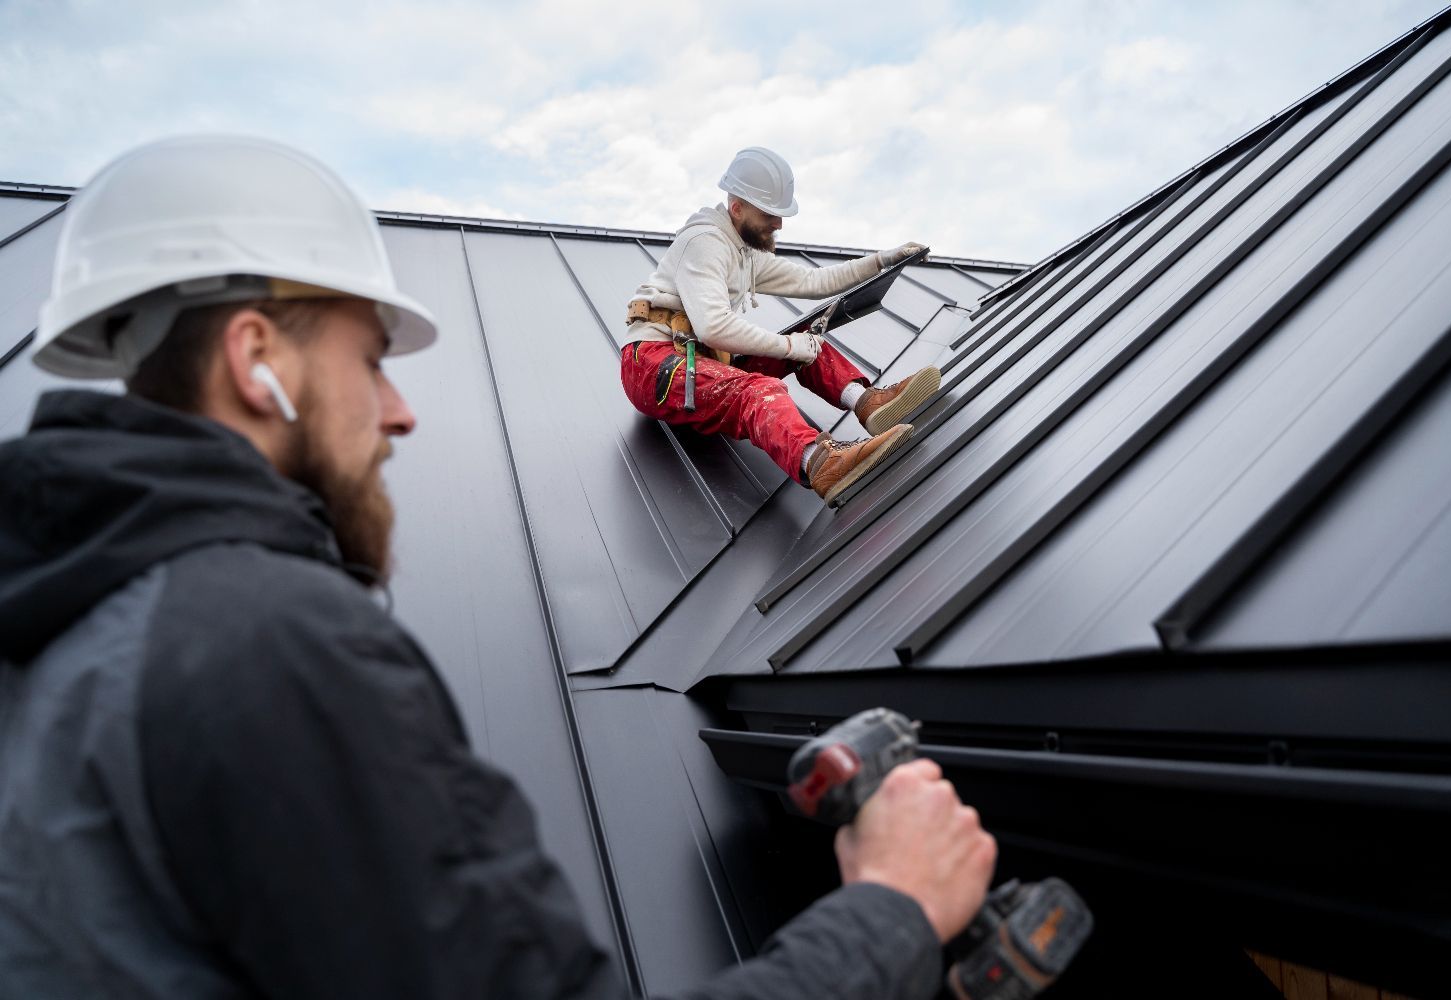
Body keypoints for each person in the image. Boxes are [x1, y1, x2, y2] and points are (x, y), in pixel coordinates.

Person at [0, 136, 997, 999]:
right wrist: (893, 913)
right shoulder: (263, 642)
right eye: (371, 360)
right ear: (255, 359)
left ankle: (856, 413)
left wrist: (873, 264)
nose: (401, 411)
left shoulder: (64, 653)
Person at [621, 147, 943, 506]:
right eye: (769, 214)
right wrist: (787, 347)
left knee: (807, 343)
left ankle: (867, 403)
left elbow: (814, 281)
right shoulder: (705, 243)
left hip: (696, 363)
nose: (778, 224)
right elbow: (712, 327)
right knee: (757, 390)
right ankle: (821, 463)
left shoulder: (742, 252)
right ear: (737, 207)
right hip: (653, 365)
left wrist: (883, 260)